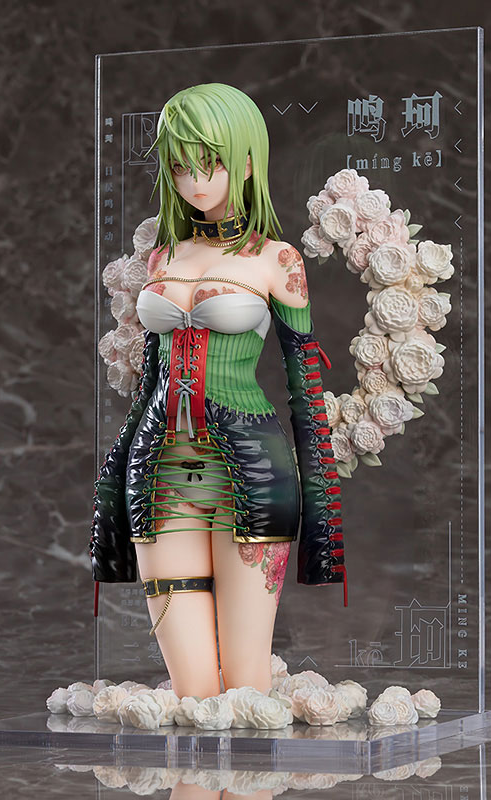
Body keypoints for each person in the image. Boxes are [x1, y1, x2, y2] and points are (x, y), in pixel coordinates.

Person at [89, 83, 346, 701]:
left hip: (252, 471)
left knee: (246, 680)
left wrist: (322, 509)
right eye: (180, 165)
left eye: (211, 162)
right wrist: (115, 473)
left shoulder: (278, 259)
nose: (195, 181)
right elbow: (149, 378)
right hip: (159, 470)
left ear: (248, 161)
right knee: (192, 690)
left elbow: (305, 387)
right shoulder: (161, 258)